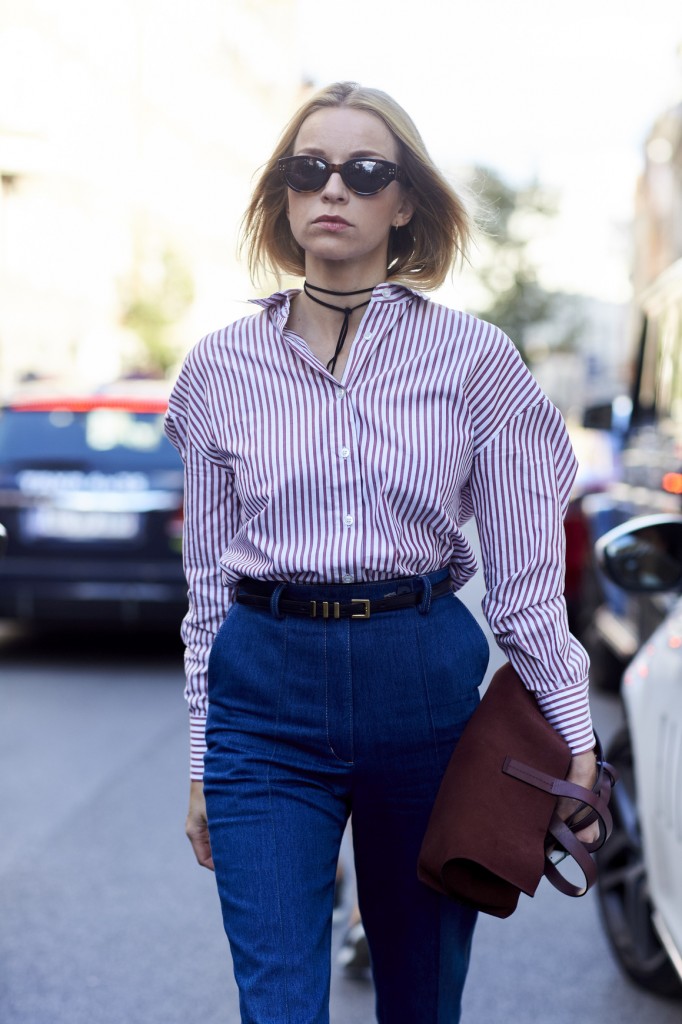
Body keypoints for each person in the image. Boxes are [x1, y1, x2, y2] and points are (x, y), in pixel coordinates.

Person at [164, 81, 599, 1024]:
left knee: (420, 1001)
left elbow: (527, 590)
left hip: (426, 692)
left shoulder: (474, 361)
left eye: (365, 173)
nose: (333, 190)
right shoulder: (218, 369)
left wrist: (576, 740)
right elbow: (206, 592)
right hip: (264, 702)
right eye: (307, 169)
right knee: (276, 1005)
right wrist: (203, 756)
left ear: (404, 203)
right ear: (282, 195)